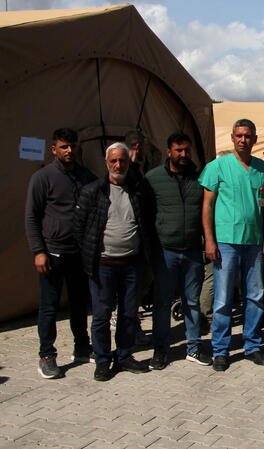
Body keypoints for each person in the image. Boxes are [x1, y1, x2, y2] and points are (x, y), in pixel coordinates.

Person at [199, 119, 264, 371]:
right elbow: (207, 206)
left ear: (255, 139)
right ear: (232, 138)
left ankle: (252, 345)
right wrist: (209, 241)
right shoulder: (217, 167)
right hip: (225, 242)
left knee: (255, 296)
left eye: (248, 136)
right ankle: (220, 350)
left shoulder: (262, 169)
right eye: (239, 135)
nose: (243, 140)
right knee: (222, 298)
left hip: (253, 242)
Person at [74, 142, 154, 381]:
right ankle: (102, 360)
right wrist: (93, 252)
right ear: (106, 163)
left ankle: (124, 356)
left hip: (131, 264)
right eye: (114, 161)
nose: (119, 165)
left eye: (123, 161)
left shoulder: (136, 191)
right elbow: (79, 228)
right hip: (102, 266)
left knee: (129, 314)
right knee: (100, 316)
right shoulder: (93, 191)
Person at [25, 128, 96, 378]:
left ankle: (82, 347)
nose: (69, 150)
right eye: (64, 146)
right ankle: (47, 354)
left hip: (78, 254)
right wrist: (38, 251)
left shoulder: (86, 176)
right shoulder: (43, 177)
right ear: (53, 149)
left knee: (79, 304)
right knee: (49, 307)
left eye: (72, 146)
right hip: (52, 254)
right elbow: (31, 217)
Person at [145, 132, 211, 369]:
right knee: (162, 302)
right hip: (165, 251)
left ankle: (193, 347)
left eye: (187, 150)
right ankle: (161, 349)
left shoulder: (201, 177)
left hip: (193, 250)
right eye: (179, 150)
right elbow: (146, 213)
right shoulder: (153, 178)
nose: (184, 155)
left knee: (192, 301)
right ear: (168, 151)